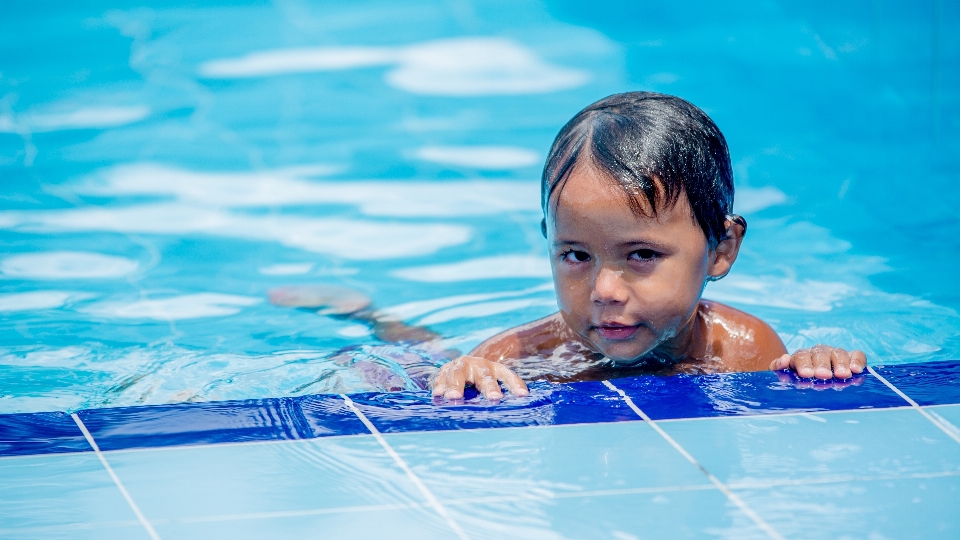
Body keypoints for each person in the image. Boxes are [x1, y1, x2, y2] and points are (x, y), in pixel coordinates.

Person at [272, 92, 867, 400]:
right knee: (410, 361)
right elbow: (461, 388)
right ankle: (369, 316)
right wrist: (468, 372)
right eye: (576, 256)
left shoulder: (747, 347)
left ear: (721, 250)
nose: (604, 291)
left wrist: (815, 366)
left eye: (641, 255)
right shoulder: (518, 355)